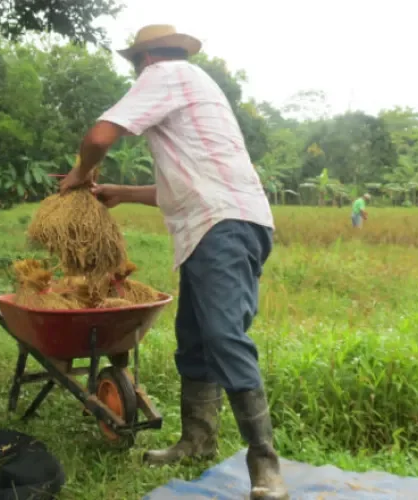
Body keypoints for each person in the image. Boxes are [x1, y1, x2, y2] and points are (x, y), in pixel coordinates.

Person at [59, 25, 289, 500]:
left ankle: (265, 466)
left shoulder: (163, 75)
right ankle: (197, 441)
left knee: (224, 335)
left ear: (143, 59)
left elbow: (99, 136)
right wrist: (120, 194)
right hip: (224, 222)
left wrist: (80, 173)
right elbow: (185, 186)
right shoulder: (193, 85)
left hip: (221, 226)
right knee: (197, 341)